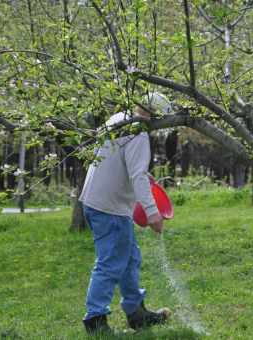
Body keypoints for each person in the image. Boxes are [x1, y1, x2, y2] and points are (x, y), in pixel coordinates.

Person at [79, 92, 172, 335]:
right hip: (109, 207)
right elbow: (137, 175)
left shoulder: (119, 119)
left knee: (130, 258)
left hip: (99, 202)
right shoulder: (138, 132)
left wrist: (144, 178)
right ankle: (95, 321)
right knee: (110, 263)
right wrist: (152, 212)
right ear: (156, 116)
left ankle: (136, 313)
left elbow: (123, 164)